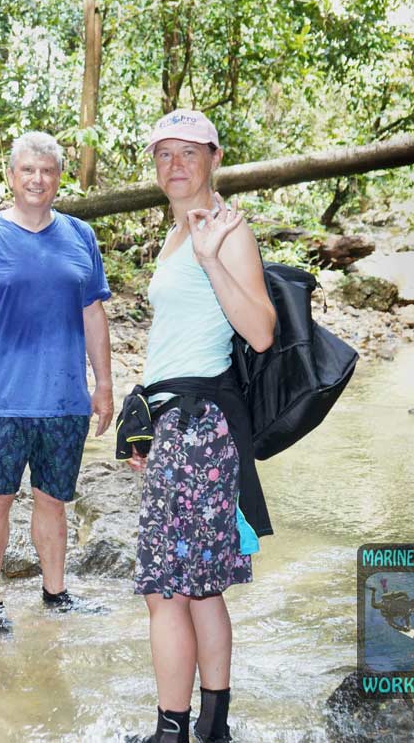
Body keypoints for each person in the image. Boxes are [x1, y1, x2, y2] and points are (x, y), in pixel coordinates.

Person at [125, 110, 276, 743]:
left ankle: (172, 732)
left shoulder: (225, 230)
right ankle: (212, 728)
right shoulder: (177, 232)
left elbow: (261, 331)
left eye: (189, 153)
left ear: (215, 157)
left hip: (200, 431)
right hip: (179, 422)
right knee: (200, 587)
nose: (175, 165)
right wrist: (142, 414)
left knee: (167, 591)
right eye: (164, 155)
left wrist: (214, 258)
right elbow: (179, 337)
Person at [0, 130, 113, 635]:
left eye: (48, 170)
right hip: (2, 398)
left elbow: (93, 312)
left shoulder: (79, 235)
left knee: (54, 502)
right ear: (11, 177)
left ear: (59, 178)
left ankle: (56, 594)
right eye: (28, 170)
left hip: (65, 397)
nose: (38, 179)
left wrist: (105, 385)